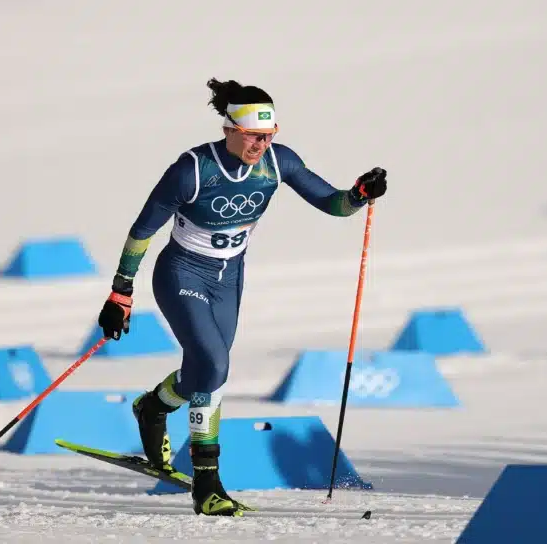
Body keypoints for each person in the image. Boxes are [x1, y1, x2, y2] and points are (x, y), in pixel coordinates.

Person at [96, 77, 388, 516]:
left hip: (229, 278)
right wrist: (121, 292)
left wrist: (359, 195)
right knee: (214, 363)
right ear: (229, 129)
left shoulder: (279, 162)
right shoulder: (193, 169)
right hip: (181, 272)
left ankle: (153, 406)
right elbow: (142, 230)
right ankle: (207, 484)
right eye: (253, 135)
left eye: (269, 135)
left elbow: (333, 204)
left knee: (205, 371)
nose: (261, 144)